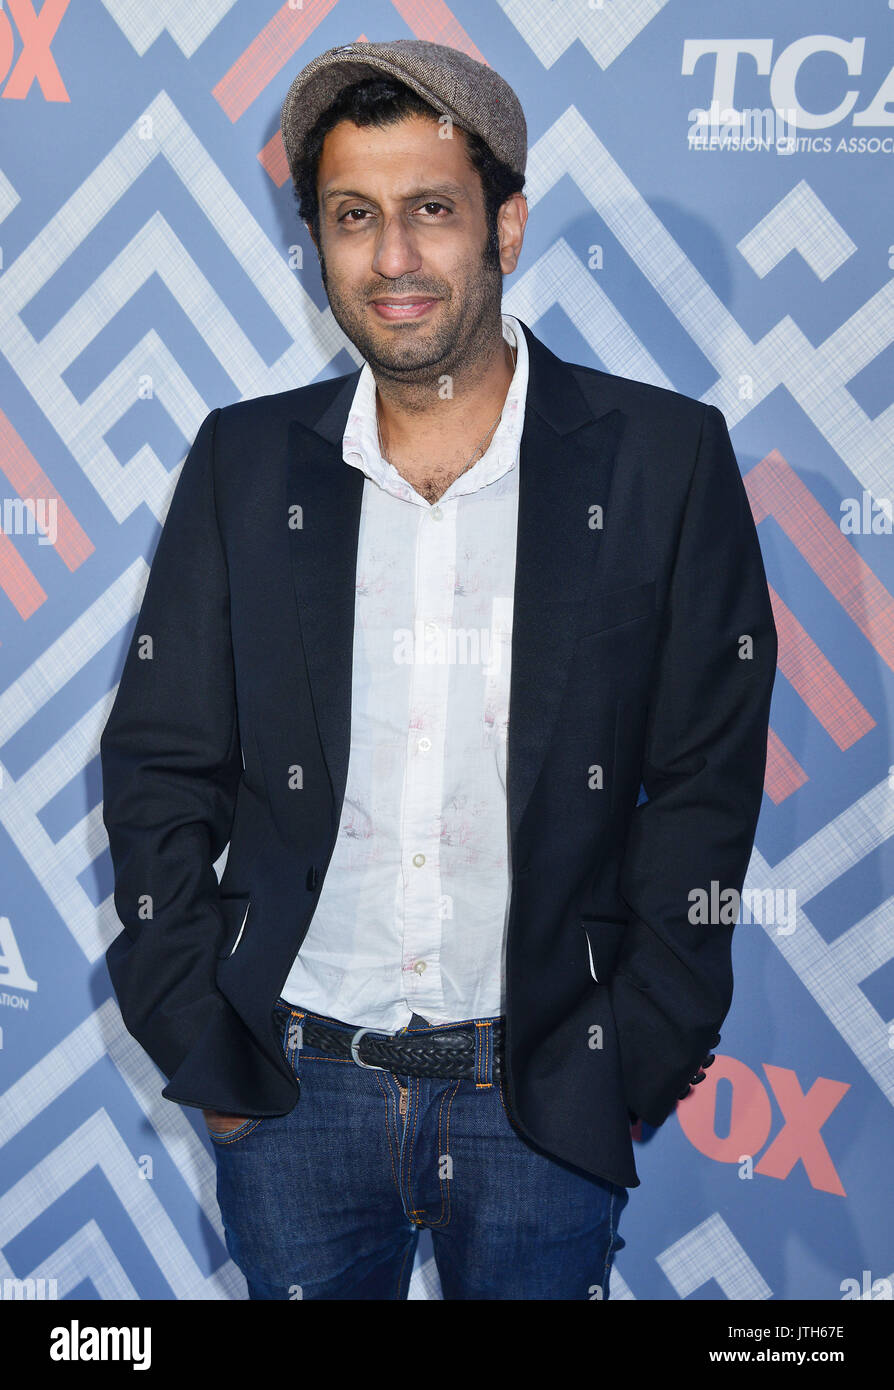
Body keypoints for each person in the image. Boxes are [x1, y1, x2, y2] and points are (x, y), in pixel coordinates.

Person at [100, 39, 778, 1300]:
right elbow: (158, 764)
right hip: (292, 1086)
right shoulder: (244, 466)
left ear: (504, 224)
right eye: (354, 217)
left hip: (541, 1097)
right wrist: (200, 1033)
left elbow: (703, 786)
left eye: (431, 211)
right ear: (317, 241)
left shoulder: (661, 461)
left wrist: (637, 1054)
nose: (394, 259)